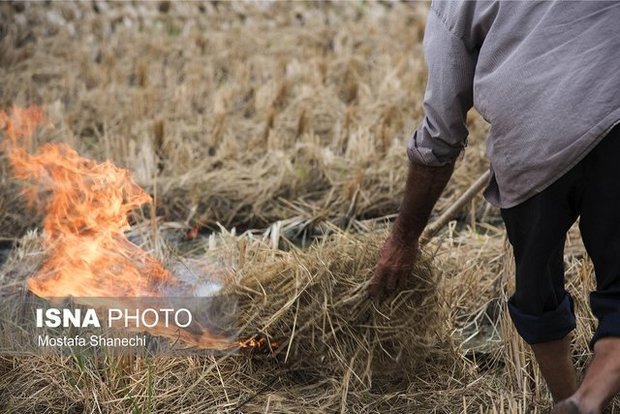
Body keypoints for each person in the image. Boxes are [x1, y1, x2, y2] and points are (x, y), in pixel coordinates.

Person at [369, 2, 620, 413]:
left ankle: (572, 401)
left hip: (530, 140)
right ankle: (588, 401)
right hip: (613, 114)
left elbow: (439, 133)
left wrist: (403, 237)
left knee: (537, 289)